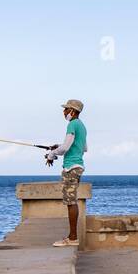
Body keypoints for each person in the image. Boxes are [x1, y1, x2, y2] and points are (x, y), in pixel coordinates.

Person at [45, 99, 88, 246]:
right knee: (72, 201)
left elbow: (65, 148)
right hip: (78, 166)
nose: (63, 112)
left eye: (66, 109)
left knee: (71, 202)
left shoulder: (72, 124)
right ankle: (72, 236)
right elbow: (83, 147)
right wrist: (59, 146)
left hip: (71, 167)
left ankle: (72, 238)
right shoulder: (82, 126)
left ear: (73, 111)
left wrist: (52, 154)